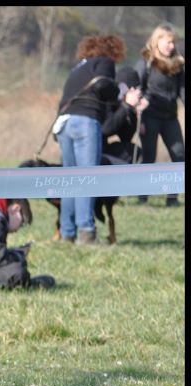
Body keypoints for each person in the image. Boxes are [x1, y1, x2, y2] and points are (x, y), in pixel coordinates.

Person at [54, 34, 124, 245]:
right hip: (85, 121)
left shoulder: (77, 68)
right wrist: (117, 93)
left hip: (64, 123)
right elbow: (103, 85)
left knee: (69, 180)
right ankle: (86, 232)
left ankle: (67, 232)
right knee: (87, 179)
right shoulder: (105, 62)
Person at [135, 23, 185, 207]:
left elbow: (182, 91)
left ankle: (172, 198)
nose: (171, 46)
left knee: (179, 155)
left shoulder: (178, 65)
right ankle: (143, 198)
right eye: (168, 42)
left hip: (170, 117)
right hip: (150, 117)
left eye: (173, 43)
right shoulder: (146, 62)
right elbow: (137, 87)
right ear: (157, 41)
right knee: (149, 157)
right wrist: (137, 113)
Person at [101, 66, 148, 166]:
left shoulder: (123, 105)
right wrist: (126, 106)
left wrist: (133, 111)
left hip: (105, 148)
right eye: (133, 88)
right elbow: (107, 129)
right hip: (94, 150)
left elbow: (125, 136)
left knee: (133, 151)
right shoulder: (108, 100)